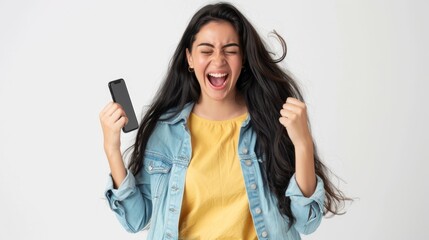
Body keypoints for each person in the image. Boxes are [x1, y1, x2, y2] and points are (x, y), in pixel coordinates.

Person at [99, 2, 348, 239]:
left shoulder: (273, 122)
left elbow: (307, 221)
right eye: (206, 50)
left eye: (230, 50)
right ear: (189, 59)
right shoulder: (166, 130)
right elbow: (135, 219)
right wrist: (111, 149)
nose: (218, 60)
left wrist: (303, 143)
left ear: (244, 60)